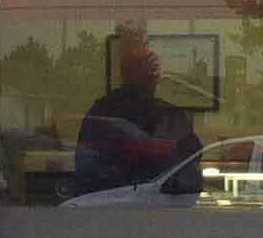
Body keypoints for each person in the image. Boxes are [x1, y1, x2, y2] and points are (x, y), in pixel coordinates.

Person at [72, 43, 200, 196]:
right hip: (159, 206)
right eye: (153, 73)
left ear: (122, 76)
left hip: (104, 205)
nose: (156, 79)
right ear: (153, 78)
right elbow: (188, 170)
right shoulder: (169, 116)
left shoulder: (99, 112)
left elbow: (85, 170)